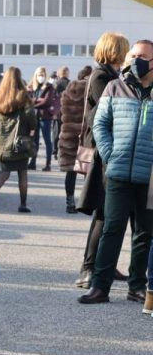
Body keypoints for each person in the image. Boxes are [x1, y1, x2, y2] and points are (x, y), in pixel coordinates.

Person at [78, 40, 153, 305]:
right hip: (118, 172)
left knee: (144, 232)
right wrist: (111, 155)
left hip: (150, 176)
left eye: (142, 56)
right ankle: (100, 287)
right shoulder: (114, 86)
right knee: (112, 228)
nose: (136, 60)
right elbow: (100, 124)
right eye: (133, 55)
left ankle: (137, 286)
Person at [75, 32, 130, 288]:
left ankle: (103, 264)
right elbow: (99, 116)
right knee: (102, 212)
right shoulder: (101, 77)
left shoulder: (109, 75)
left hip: (106, 152)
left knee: (108, 213)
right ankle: (89, 267)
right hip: (102, 154)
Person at [0, 67, 37, 214]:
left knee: (4, 173)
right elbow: (31, 119)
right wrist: (31, 128)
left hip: (1, 144)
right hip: (19, 144)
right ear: (19, 79)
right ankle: (23, 204)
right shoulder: (23, 97)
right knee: (22, 173)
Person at [56, 67, 90, 213]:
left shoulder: (67, 93)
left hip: (69, 135)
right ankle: (86, 202)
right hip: (86, 136)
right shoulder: (91, 90)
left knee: (71, 171)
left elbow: (60, 115)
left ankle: (69, 201)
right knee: (88, 170)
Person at [27, 66, 58, 171]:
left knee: (47, 141)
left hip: (45, 117)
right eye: (39, 74)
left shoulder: (49, 87)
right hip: (34, 117)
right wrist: (37, 100)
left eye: (43, 75)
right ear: (35, 75)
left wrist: (34, 103)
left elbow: (47, 102)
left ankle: (48, 164)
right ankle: (33, 162)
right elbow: (27, 99)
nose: (41, 77)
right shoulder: (32, 87)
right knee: (34, 141)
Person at [53, 66, 71, 162]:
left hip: (57, 111)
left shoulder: (56, 84)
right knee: (65, 133)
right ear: (67, 73)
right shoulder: (70, 83)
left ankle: (55, 151)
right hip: (67, 111)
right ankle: (63, 151)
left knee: (56, 132)